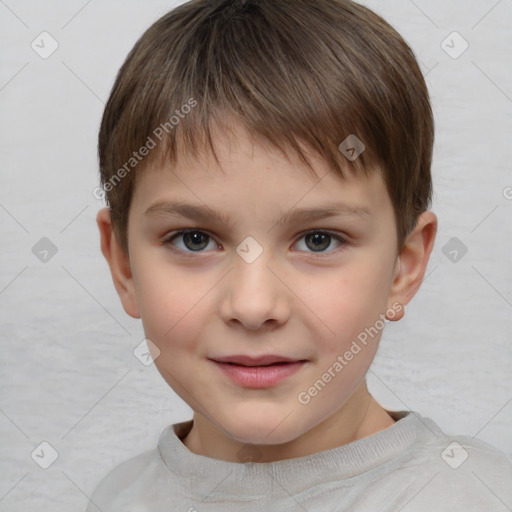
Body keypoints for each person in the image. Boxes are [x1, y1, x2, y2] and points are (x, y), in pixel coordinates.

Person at [87, 0, 512, 510]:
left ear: (404, 266)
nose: (253, 305)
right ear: (124, 265)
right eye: (194, 239)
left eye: (318, 240)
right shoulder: (117, 499)